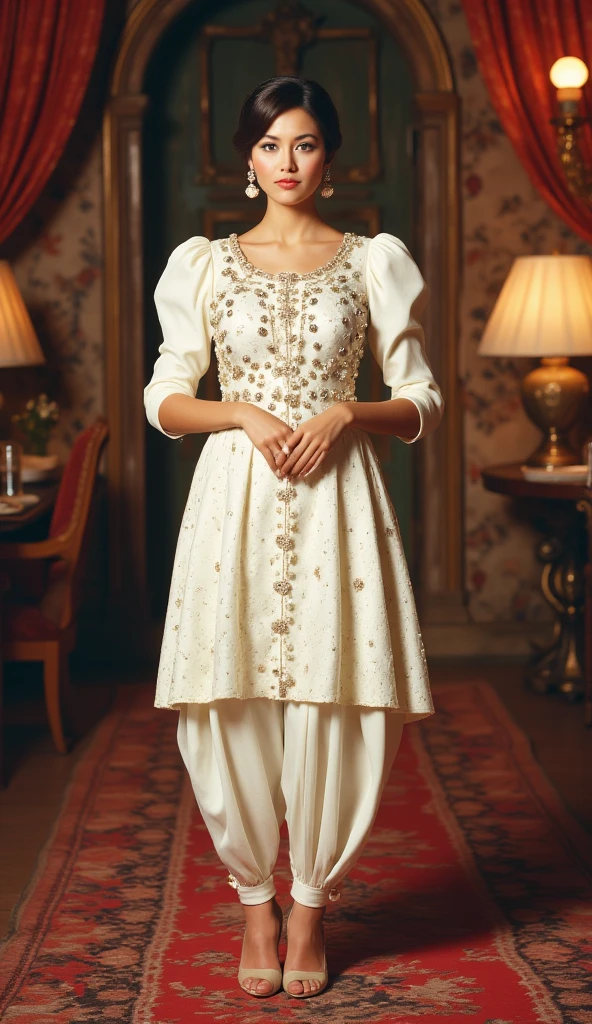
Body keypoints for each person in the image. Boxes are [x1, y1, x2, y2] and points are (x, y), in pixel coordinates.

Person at [143, 75, 444, 1000]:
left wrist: (349, 411)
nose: (287, 162)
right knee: (223, 704)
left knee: (336, 699)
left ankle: (309, 905)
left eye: (305, 144)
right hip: (232, 501)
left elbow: (422, 398)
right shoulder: (202, 264)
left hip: (336, 504)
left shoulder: (372, 261)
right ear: (246, 157)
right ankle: (252, 903)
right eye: (271, 145)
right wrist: (237, 412)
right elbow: (164, 398)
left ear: (331, 154)